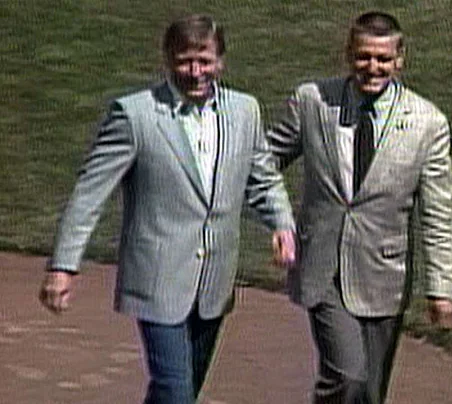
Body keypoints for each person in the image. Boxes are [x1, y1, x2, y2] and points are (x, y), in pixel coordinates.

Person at [38, 14, 295, 404]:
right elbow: (90, 193)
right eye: (184, 61)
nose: (195, 72)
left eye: (204, 61)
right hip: (156, 279)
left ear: (220, 61)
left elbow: (262, 176)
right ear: (167, 59)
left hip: (214, 280)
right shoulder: (135, 115)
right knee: (176, 392)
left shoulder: (245, 111)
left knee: (180, 391)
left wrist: (281, 223)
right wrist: (63, 265)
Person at [267, 11, 452, 404]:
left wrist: (443, 289)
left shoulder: (427, 123)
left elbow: (439, 214)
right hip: (323, 266)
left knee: (369, 393)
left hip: (383, 274)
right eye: (363, 57)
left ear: (400, 59)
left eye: (383, 59)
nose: (372, 67)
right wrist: (278, 220)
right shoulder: (312, 102)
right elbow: (263, 162)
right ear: (348, 55)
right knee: (348, 377)